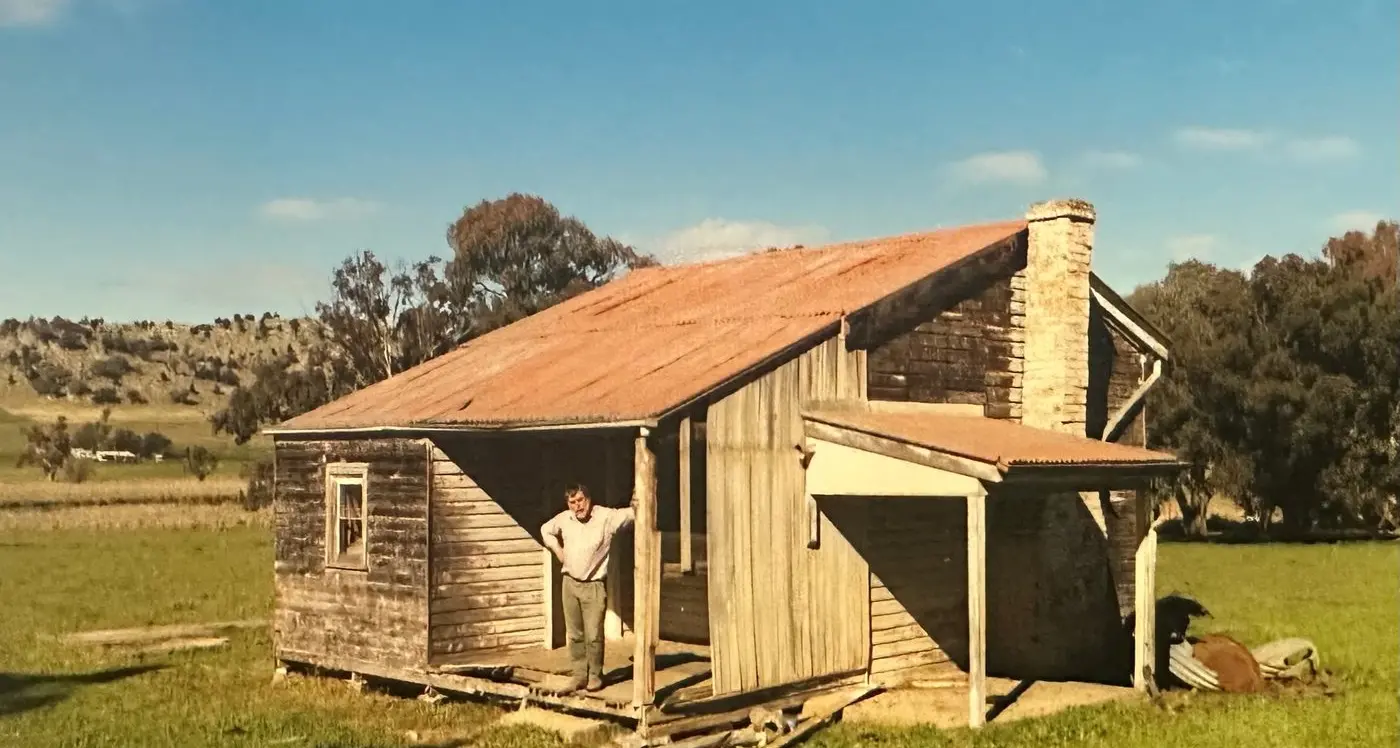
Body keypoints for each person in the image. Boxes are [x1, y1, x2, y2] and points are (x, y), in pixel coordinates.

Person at [540, 483, 635, 693]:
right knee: (574, 635)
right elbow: (545, 530)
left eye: (580, 500)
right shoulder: (564, 519)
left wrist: (638, 496)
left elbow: (632, 514)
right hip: (570, 584)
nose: (577, 506)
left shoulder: (605, 517)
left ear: (589, 499)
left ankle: (595, 676)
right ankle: (579, 675)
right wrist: (557, 549)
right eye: (572, 502)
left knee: (593, 635)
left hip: (593, 586)